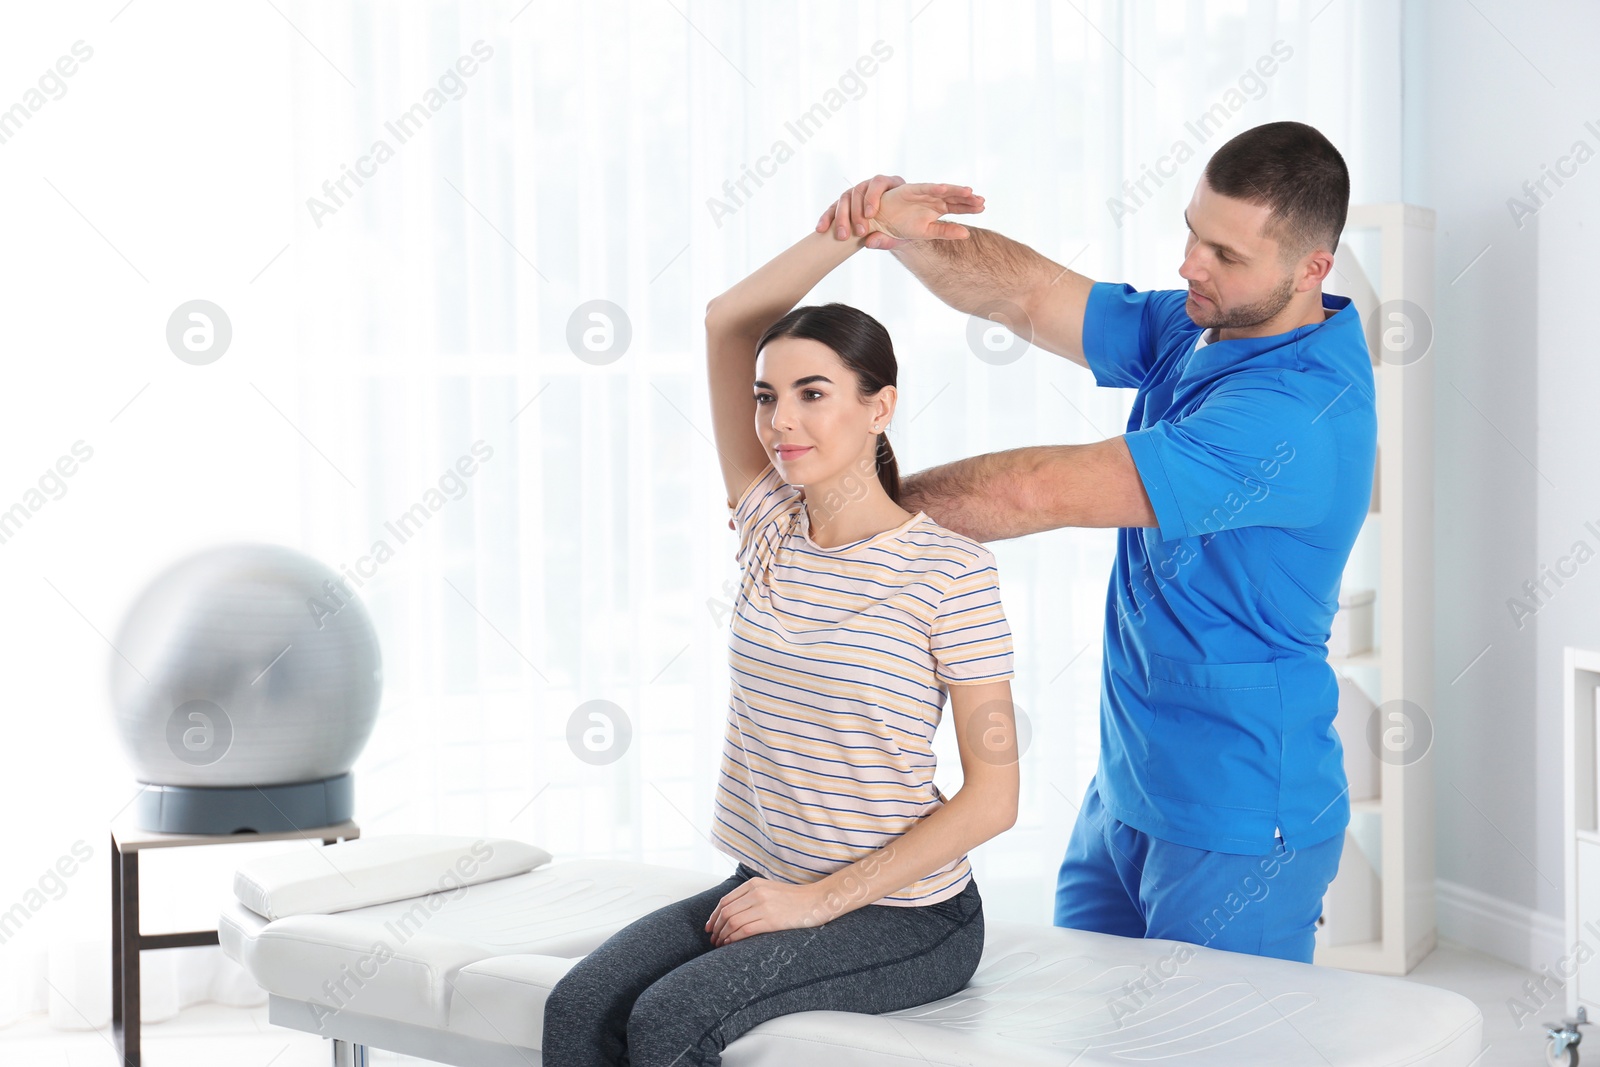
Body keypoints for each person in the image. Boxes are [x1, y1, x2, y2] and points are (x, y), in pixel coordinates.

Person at [817, 120, 1374, 965]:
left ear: (1311, 270)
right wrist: (904, 233)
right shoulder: (1204, 326)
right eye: (1193, 230)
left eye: (1225, 253)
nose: (1191, 263)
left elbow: (1036, 491)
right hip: (1127, 788)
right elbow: (1031, 296)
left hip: (1239, 812)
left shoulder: (1296, 411)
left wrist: (847, 507)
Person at [541, 183, 1021, 1067]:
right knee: (577, 1007)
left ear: (879, 406)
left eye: (812, 393)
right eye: (767, 397)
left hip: (908, 915)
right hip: (767, 883)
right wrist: (852, 231)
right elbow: (730, 320)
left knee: (668, 1021)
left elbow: (995, 797)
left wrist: (817, 901)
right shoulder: (769, 526)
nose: (780, 421)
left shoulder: (951, 573)